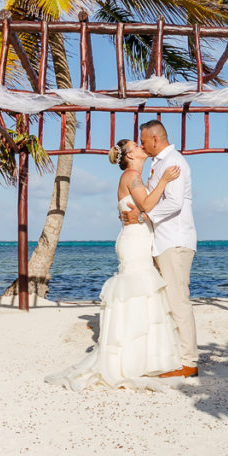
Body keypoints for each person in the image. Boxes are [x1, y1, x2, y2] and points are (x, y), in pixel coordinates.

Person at [45, 139, 183, 390]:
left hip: (135, 239)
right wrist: (164, 180)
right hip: (134, 243)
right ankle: (130, 360)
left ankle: (140, 356)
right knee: (137, 293)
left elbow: (142, 210)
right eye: (137, 146)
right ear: (130, 155)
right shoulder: (132, 176)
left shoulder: (133, 178)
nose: (142, 148)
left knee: (141, 294)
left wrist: (141, 212)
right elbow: (149, 204)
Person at [122, 120, 199, 378]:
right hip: (163, 241)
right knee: (168, 302)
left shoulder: (173, 162)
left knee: (178, 302)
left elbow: (175, 203)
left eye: (143, 141)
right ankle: (176, 357)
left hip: (174, 241)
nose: (142, 145)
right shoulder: (160, 163)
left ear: (155, 139)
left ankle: (189, 363)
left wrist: (145, 217)